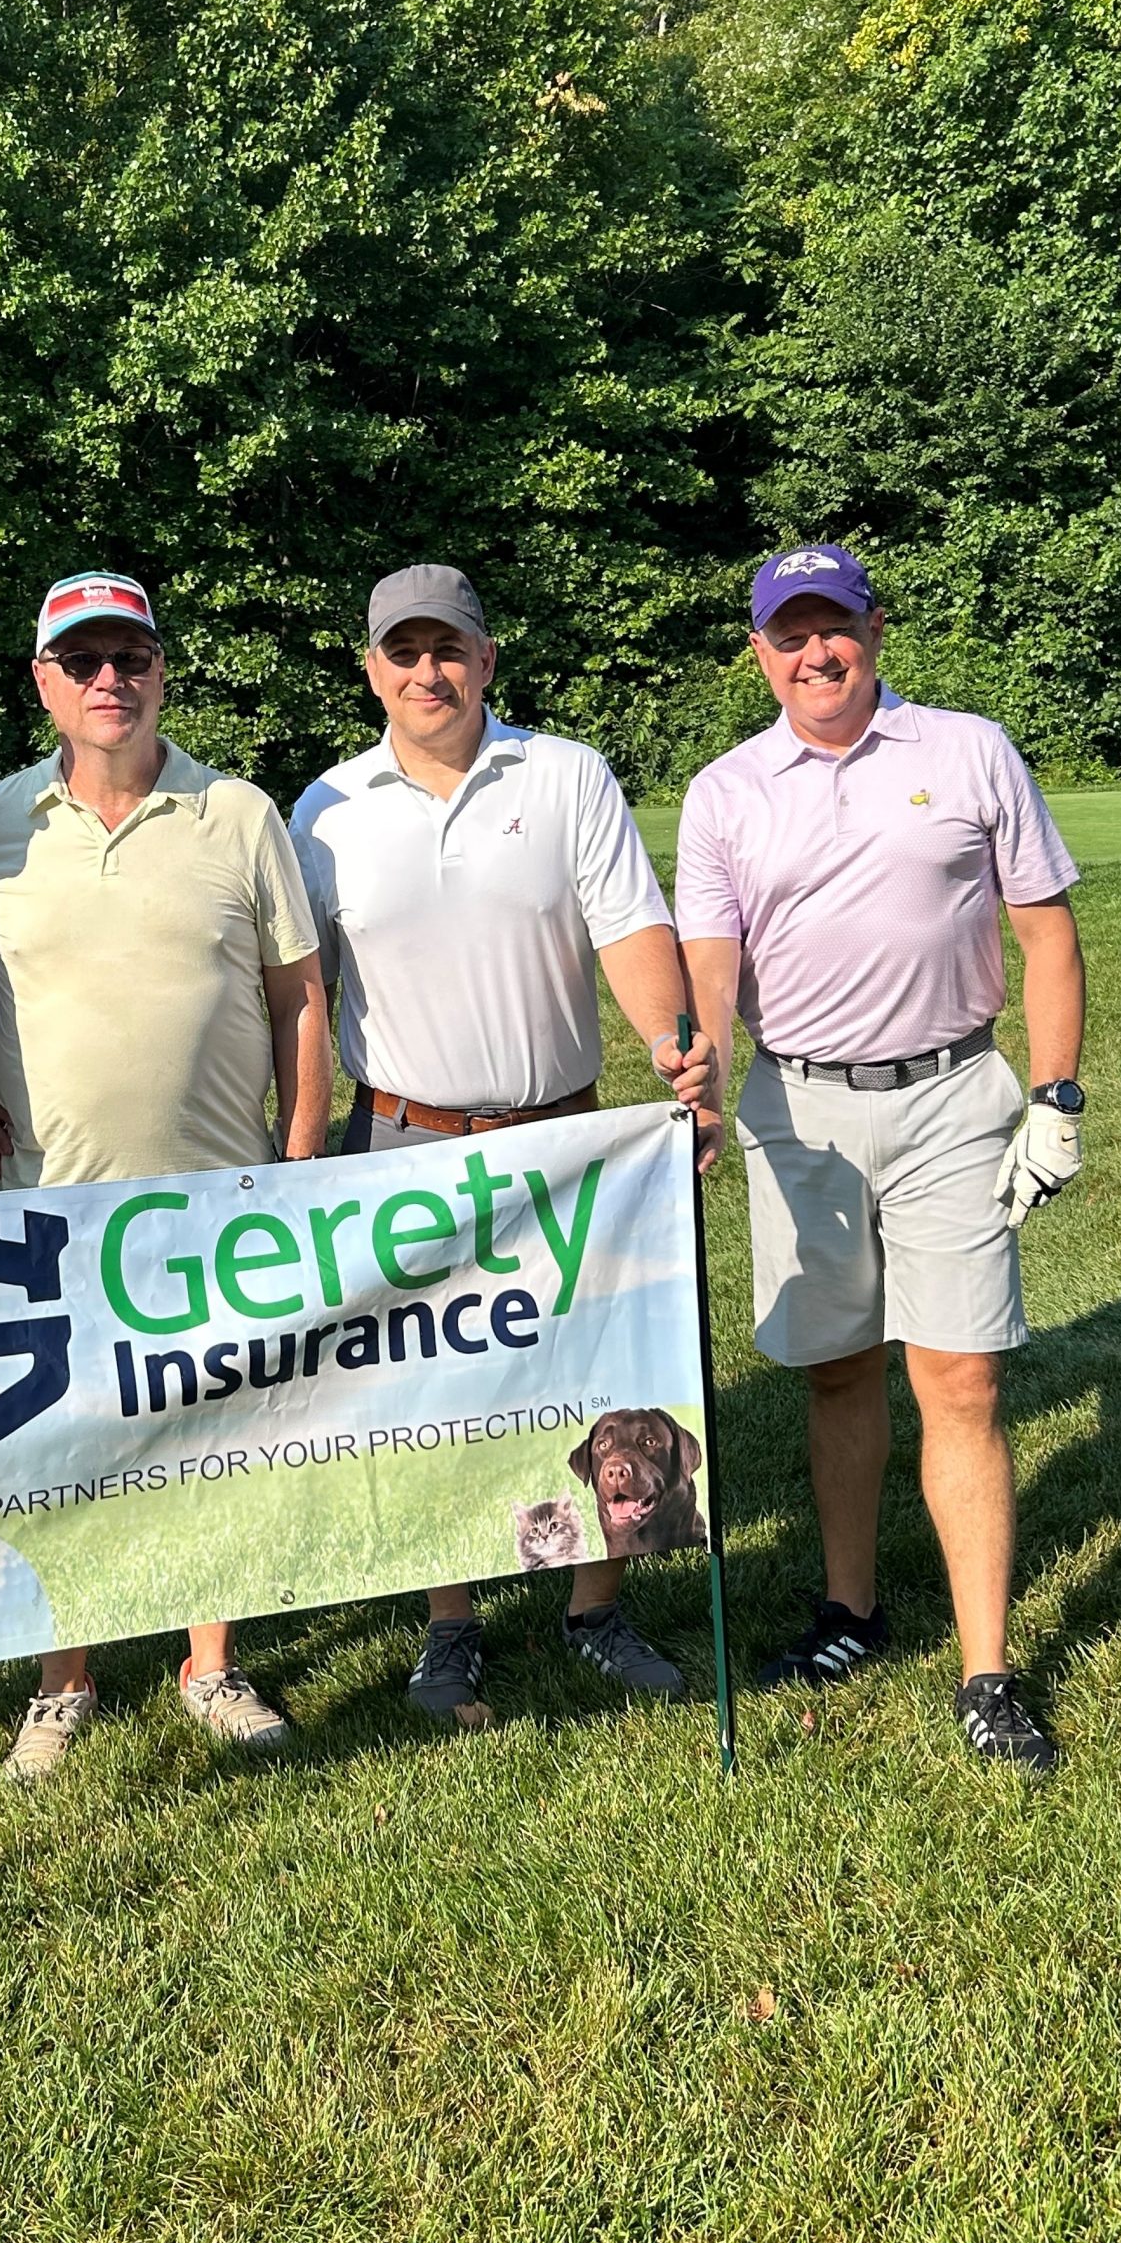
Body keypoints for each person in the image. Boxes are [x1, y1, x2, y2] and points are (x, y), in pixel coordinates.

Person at [676, 541, 1086, 1774]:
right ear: (759, 652)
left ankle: (987, 1670)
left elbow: (1046, 933)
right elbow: (712, 963)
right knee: (840, 1374)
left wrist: (1056, 1093)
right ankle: (850, 1611)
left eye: (834, 626)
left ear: (875, 629)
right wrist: (696, 1073)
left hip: (953, 1096)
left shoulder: (969, 749)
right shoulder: (725, 791)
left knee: (959, 1381)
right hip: (797, 1111)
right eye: (789, 633)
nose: (815, 652)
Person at [289, 563, 717, 1723]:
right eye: (403, 652)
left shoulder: (566, 773)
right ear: (371, 668)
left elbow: (631, 929)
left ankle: (595, 1606)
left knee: (594, 1381)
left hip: (562, 1139)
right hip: (400, 1140)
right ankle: (451, 1625)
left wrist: (678, 1053)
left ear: (486, 660)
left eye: (449, 649)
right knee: (431, 1395)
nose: (427, 672)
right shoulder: (324, 809)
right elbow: (301, 997)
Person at [0, 570, 332, 1782]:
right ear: (45, 682)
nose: (110, 681)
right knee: (64, 1442)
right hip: (48, 1202)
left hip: (219, 1193)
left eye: (132, 657)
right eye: (83, 662)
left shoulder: (237, 814)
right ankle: (65, 1678)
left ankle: (208, 1660)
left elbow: (298, 993)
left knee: (213, 1433)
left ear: (163, 669)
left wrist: (304, 1143)